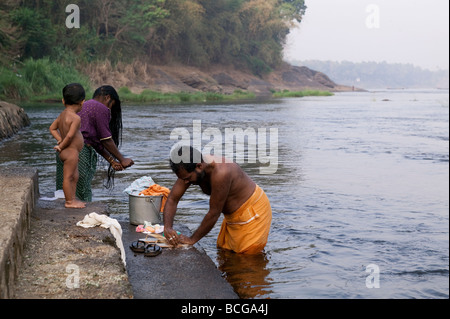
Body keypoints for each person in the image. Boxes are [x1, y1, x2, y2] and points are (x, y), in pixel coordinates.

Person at [164, 145, 272, 254]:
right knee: (224, 253)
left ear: (199, 166)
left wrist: (192, 239)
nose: (185, 182)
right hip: (232, 217)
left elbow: (214, 213)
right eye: (183, 179)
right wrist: (168, 228)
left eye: (187, 178)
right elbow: (173, 199)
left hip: (253, 212)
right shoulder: (189, 169)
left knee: (247, 259)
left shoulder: (221, 172)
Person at [56, 85, 134, 201]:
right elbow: (106, 140)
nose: (109, 109)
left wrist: (112, 161)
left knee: (65, 187)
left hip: (63, 151)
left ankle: (64, 214)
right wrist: (122, 159)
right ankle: (80, 216)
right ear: (107, 98)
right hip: (79, 153)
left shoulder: (84, 106)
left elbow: (93, 141)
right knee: (81, 189)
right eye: (111, 105)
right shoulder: (100, 108)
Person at [50, 83, 86, 208]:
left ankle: (72, 198)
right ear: (82, 102)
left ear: (63, 101)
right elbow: (70, 136)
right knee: (69, 176)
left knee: (74, 176)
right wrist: (62, 145)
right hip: (69, 152)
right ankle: (69, 202)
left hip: (72, 152)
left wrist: (59, 140)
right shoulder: (75, 118)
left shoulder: (62, 115)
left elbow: (52, 128)